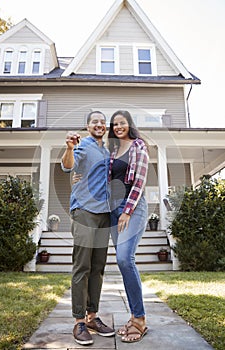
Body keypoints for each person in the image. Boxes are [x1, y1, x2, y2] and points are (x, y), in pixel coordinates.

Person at [61, 111, 115, 346]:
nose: (99, 125)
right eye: (95, 122)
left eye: (103, 122)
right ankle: (78, 321)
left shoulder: (106, 151)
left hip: (104, 214)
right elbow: (67, 166)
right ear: (87, 126)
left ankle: (92, 317)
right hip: (84, 211)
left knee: (98, 267)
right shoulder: (82, 146)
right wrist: (70, 148)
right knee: (82, 266)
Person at [108, 110, 149, 343]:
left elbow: (140, 181)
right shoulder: (114, 151)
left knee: (125, 259)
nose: (118, 127)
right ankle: (134, 316)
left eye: (122, 123)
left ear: (129, 124)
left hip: (131, 206)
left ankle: (140, 319)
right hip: (114, 208)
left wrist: (127, 211)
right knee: (123, 263)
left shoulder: (138, 146)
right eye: (114, 124)